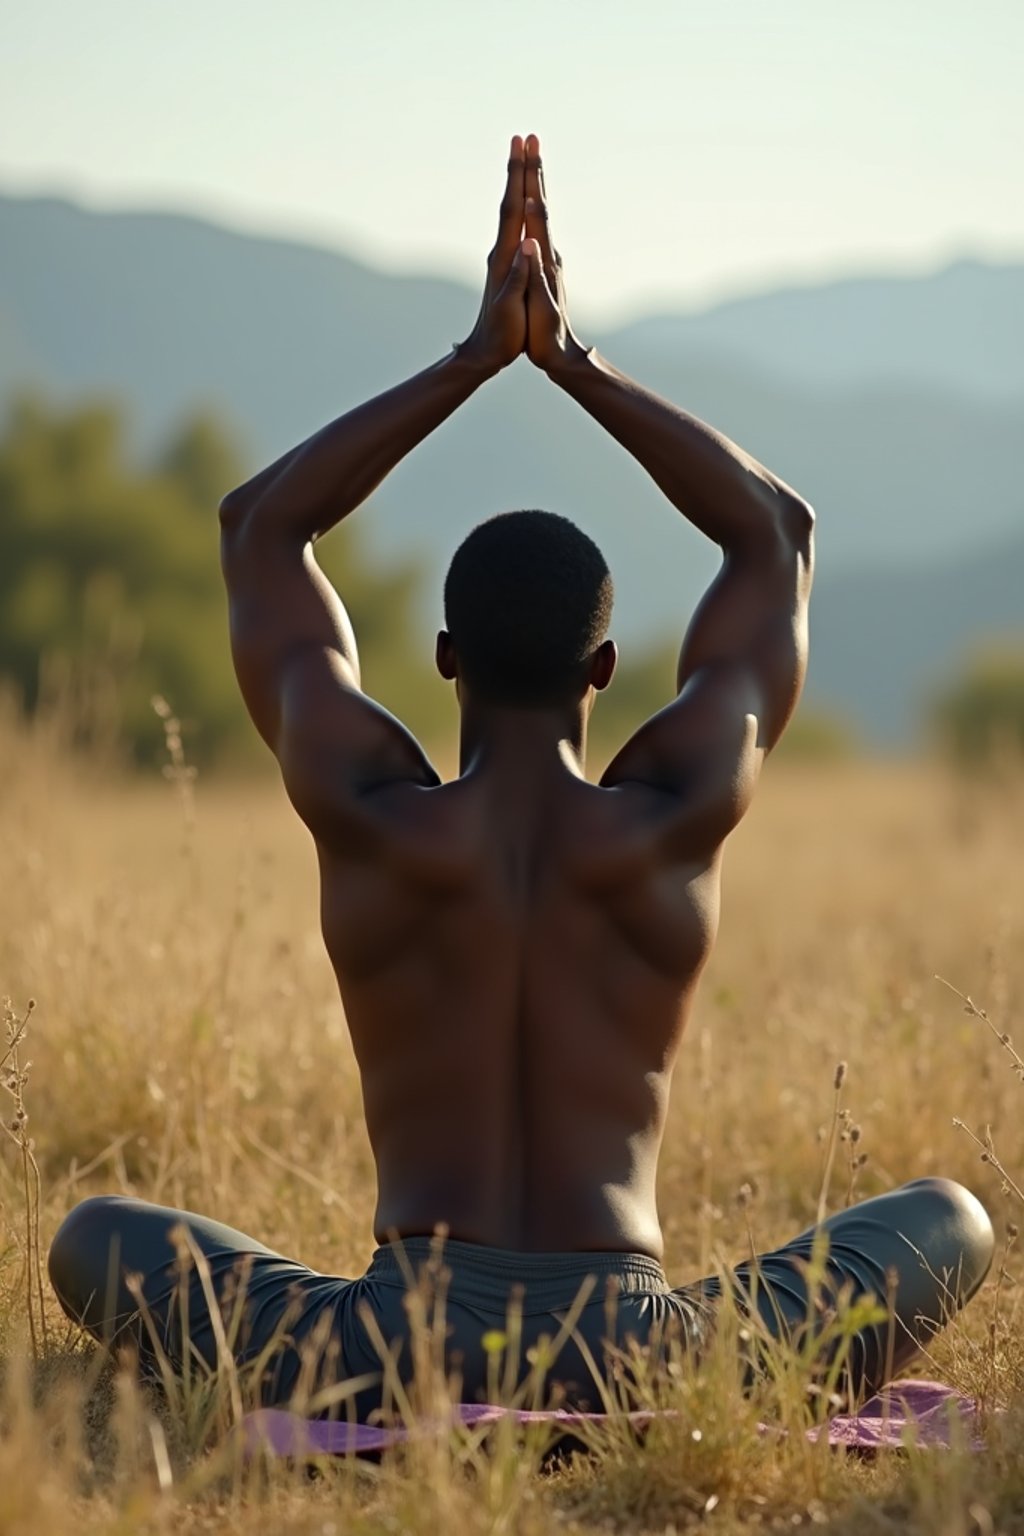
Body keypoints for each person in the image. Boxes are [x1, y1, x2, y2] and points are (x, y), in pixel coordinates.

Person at [49, 135, 992, 1418]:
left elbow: (260, 527)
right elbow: (774, 534)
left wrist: (472, 360)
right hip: (639, 1354)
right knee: (951, 1219)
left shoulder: (370, 812)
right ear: (606, 666)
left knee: (95, 1234)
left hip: (387, 1353)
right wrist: (571, 361)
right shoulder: (670, 819)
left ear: (442, 657)